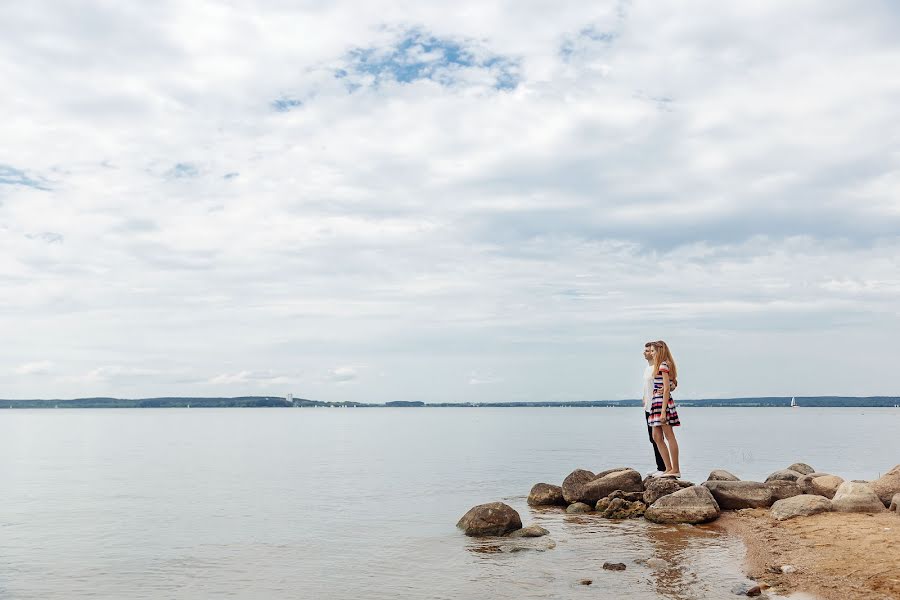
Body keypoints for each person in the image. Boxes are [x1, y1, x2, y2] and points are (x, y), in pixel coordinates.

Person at [646, 340, 681, 478]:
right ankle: (668, 468)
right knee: (656, 436)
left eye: (653, 351)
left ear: (659, 351)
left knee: (669, 435)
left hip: (662, 403)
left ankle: (675, 469)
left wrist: (662, 412)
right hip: (656, 401)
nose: (651, 353)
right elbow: (671, 383)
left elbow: (667, 389)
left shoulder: (663, 364)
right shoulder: (659, 366)